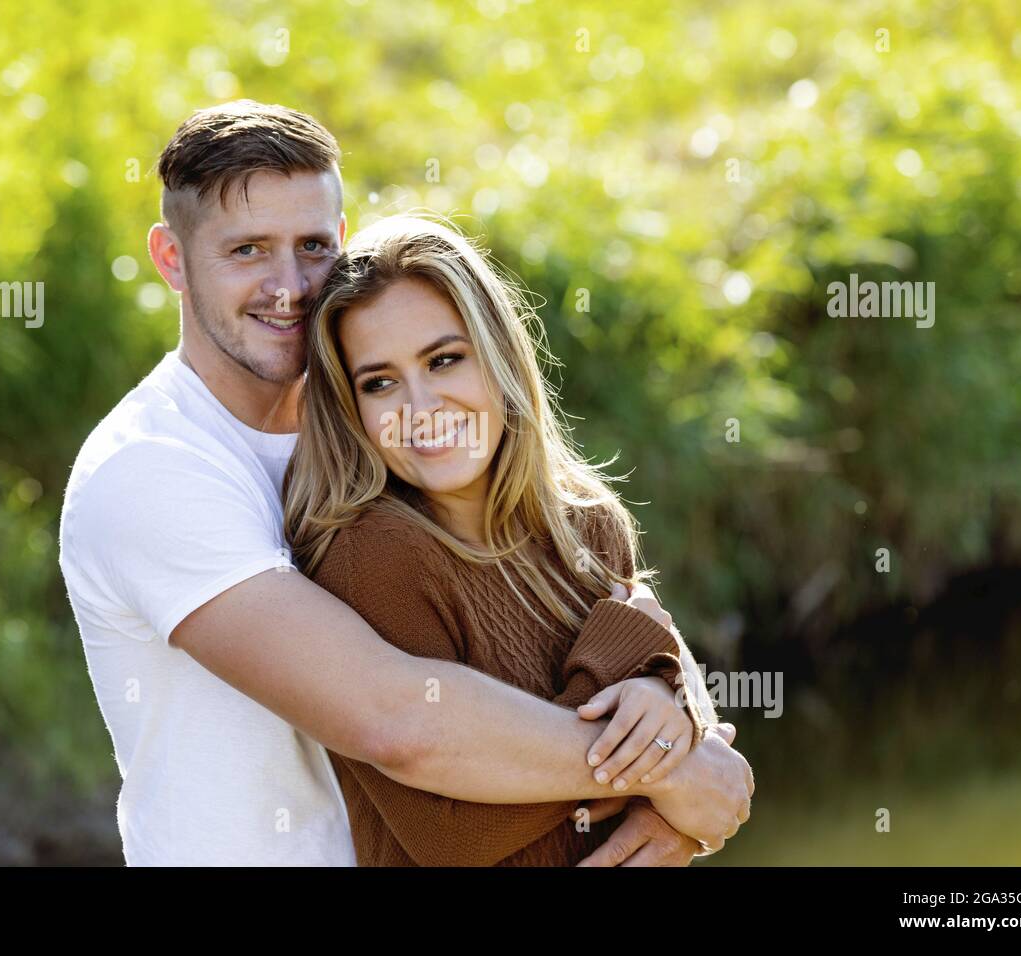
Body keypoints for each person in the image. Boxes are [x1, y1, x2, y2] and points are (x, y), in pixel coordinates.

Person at [58, 99, 752, 866]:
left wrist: (679, 721)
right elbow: (396, 719)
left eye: (312, 246)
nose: (288, 285)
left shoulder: (378, 440)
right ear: (171, 259)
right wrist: (672, 774)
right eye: (248, 250)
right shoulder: (149, 468)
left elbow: (621, 606)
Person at [285, 215, 713, 865]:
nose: (421, 407)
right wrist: (635, 700)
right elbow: (450, 834)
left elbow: (674, 756)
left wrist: (660, 707)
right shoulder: (374, 556)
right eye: (380, 382)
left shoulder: (588, 522)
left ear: (499, 353)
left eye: (444, 359)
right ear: (353, 408)